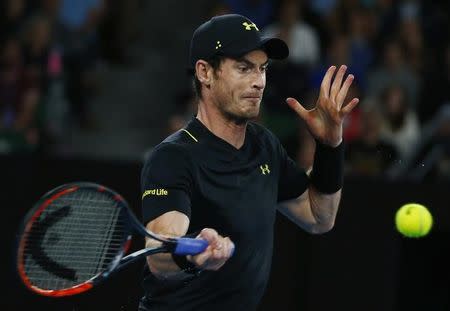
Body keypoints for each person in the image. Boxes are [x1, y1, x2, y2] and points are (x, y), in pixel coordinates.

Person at [139, 14, 359, 310]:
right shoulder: (173, 157)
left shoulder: (265, 145)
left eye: (262, 69)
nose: (259, 82)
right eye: (244, 68)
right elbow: (159, 253)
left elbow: (319, 218)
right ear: (205, 72)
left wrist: (330, 147)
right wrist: (191, 251)